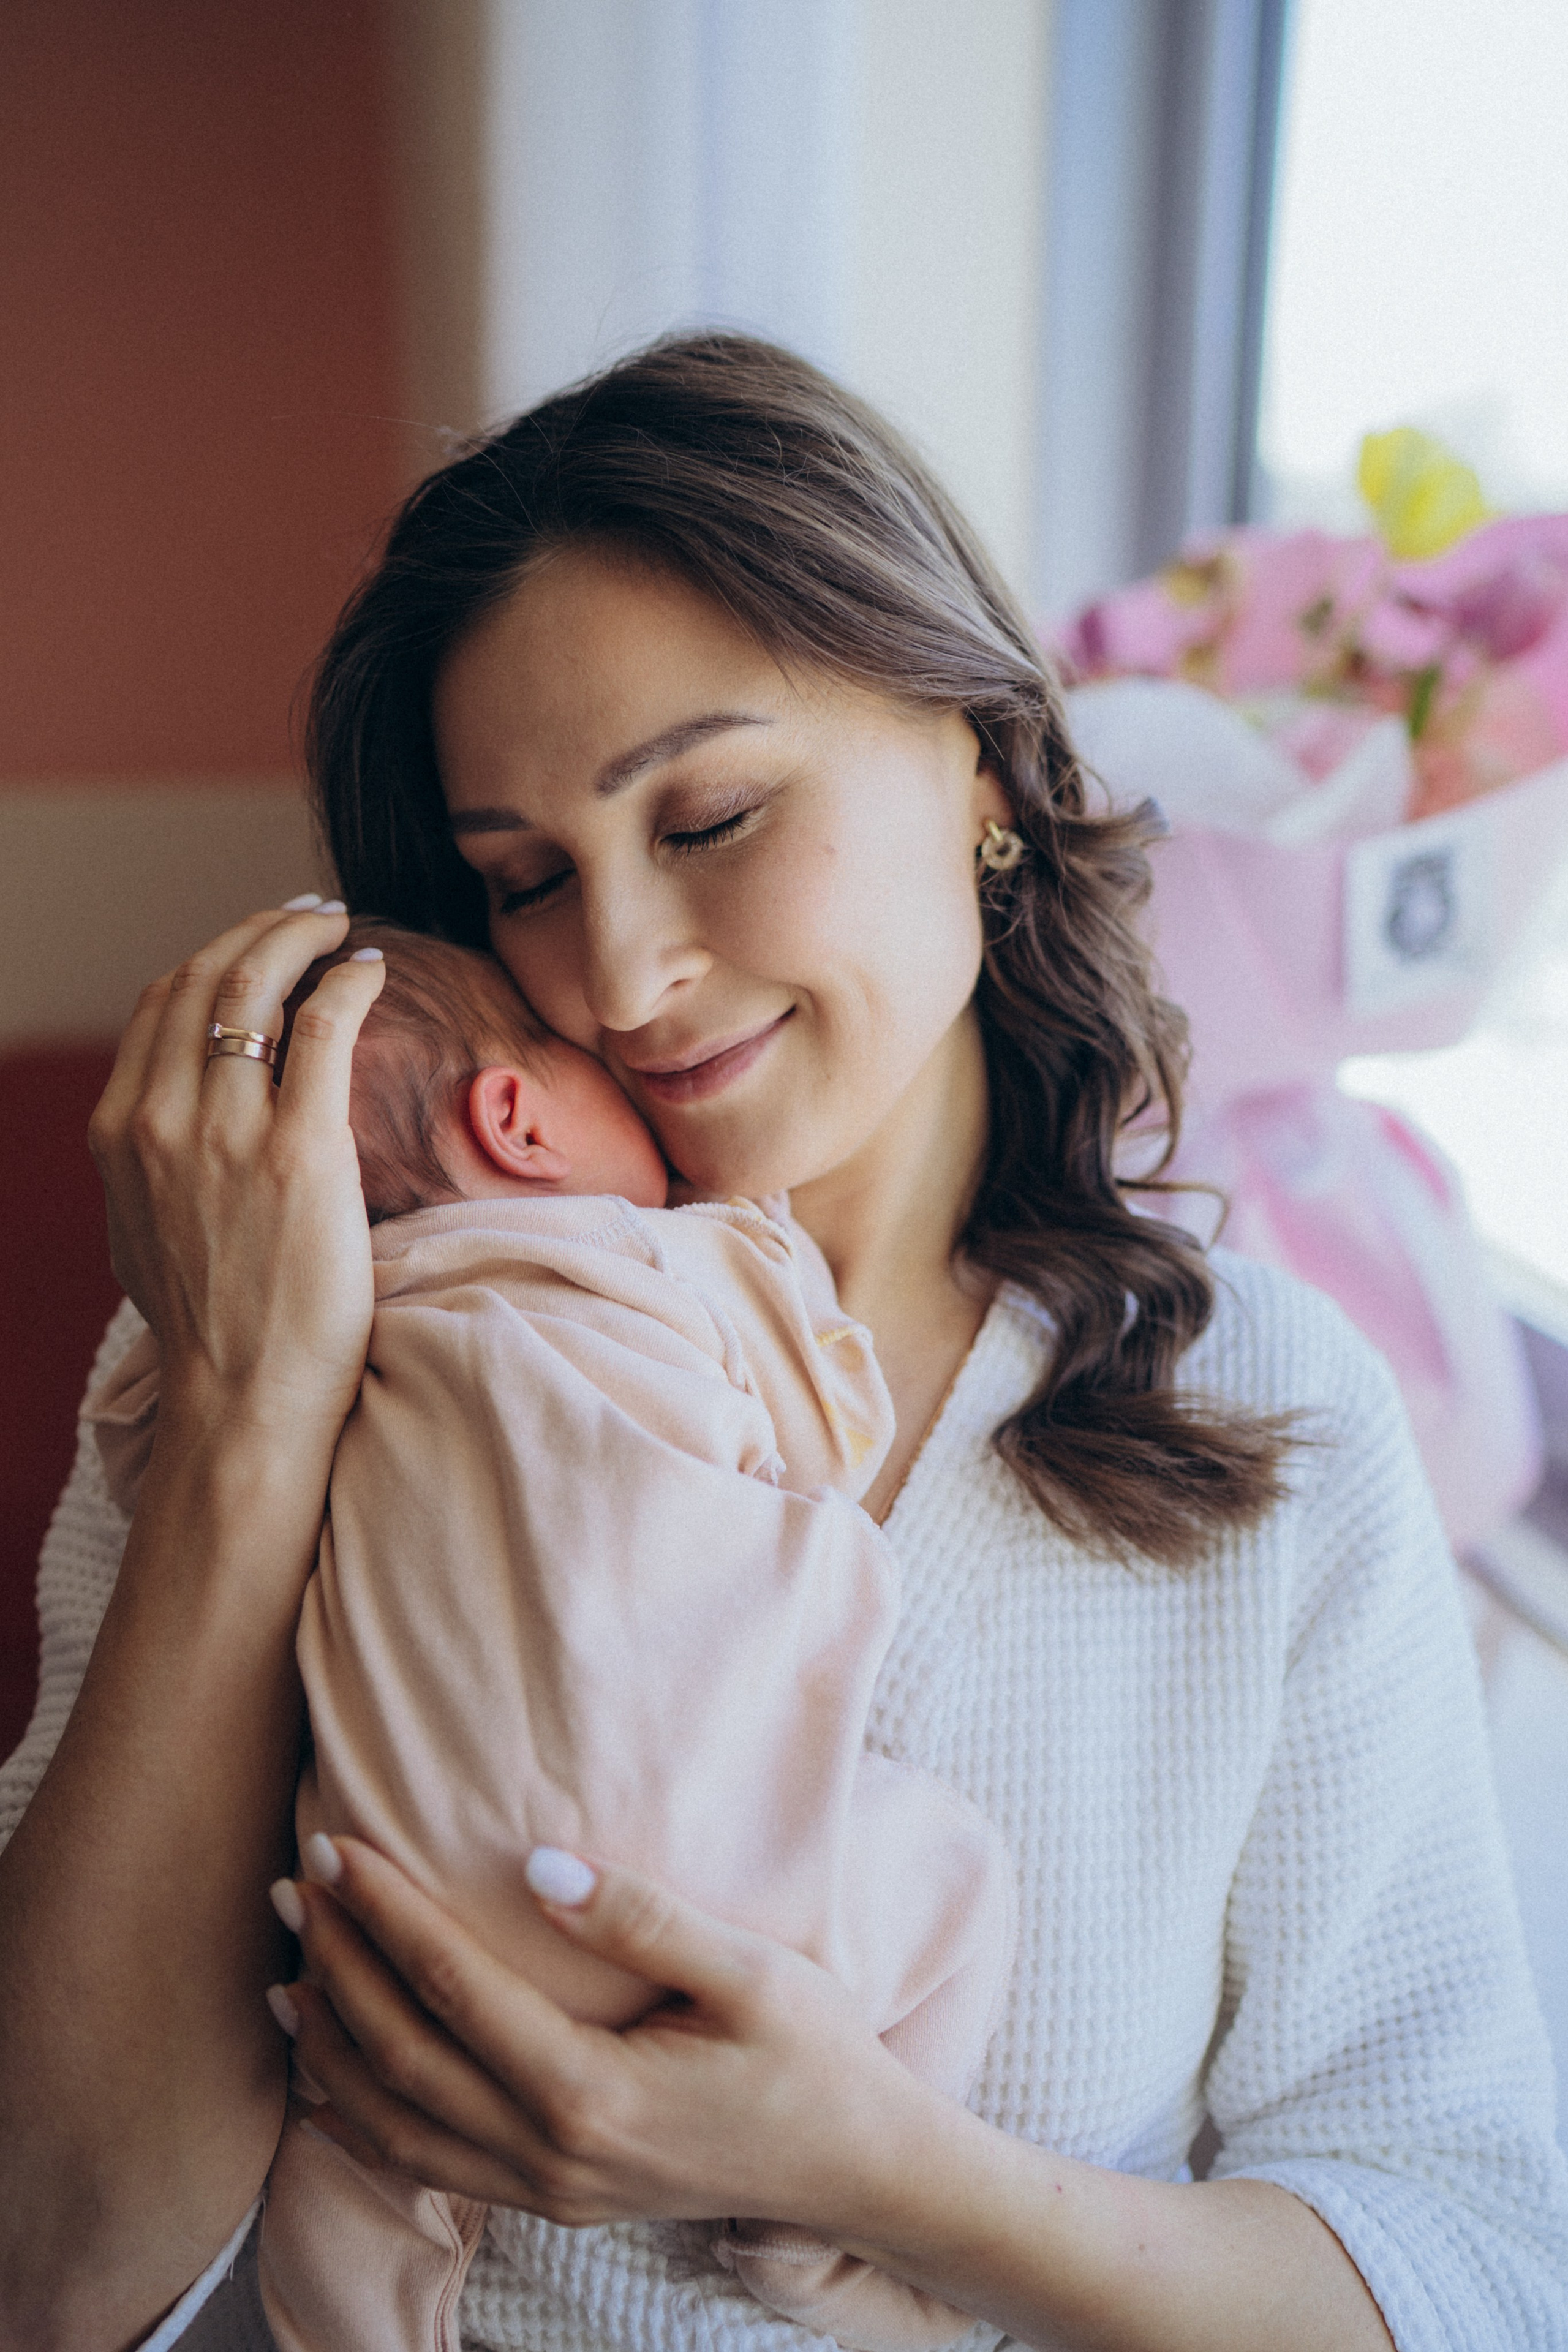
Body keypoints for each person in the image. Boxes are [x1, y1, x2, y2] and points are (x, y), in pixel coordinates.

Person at [1, 331, 1564, 2352]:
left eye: (715, 815)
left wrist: (867, 2170)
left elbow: (1473, 2272)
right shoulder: (318, 1310)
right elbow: (48, 2263)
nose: (623, 973)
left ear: (985, 763)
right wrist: (240, 1420)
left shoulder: (1267, 1420)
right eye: (527, 881)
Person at [84, 919, 1014, 2352]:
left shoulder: (301, 1343)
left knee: (364, 2164)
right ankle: (809, 2241)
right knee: (955, 1881)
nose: (631, 1004)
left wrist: (235, 1373)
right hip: (722, 1887)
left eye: (711, 818)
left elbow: (139, 1459)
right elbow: (829, 1422)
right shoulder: (655, 1259)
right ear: (515, 1116)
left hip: (402, 1911)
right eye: (524, 879)